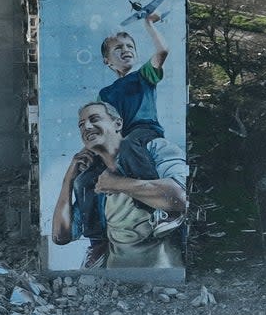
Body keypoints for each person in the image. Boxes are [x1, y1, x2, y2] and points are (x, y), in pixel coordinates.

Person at [52, 102, 187, 268]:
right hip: (114, 276)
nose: (86, 126)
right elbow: (60, 236)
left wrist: (118, 184)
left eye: (94, 119)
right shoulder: (91, 181)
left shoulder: (152, 148)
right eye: (81, 124)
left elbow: (181, 198)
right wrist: (68, 180)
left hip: (163, 270)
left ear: (118, 124)